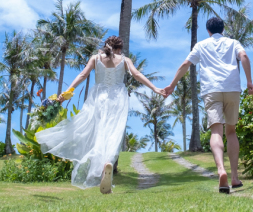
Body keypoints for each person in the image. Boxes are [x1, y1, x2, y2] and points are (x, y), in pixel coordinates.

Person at [36, 35, 163, 194]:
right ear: (119, 49)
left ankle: (102, 166)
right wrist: (154, 88)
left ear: (105, 45)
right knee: (112, 132)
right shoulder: (125, 60)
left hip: (99, 97)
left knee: (99, 132)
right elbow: (137, 74)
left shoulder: (96, 58)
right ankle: (107, 163)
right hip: (118, 99)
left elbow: (82, 75)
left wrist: (67, 92)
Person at [162, 16, 253, 194]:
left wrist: (172, 85)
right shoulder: (233, 42)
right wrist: (249, 81)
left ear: (208, 31)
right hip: (232, 88)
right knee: (231, 131)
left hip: (211, 89)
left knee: (215, 131)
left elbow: (185, 64)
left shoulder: (201, 45)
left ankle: (221, 170)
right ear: (223, 29)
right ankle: (235, 177)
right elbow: (243, 56)